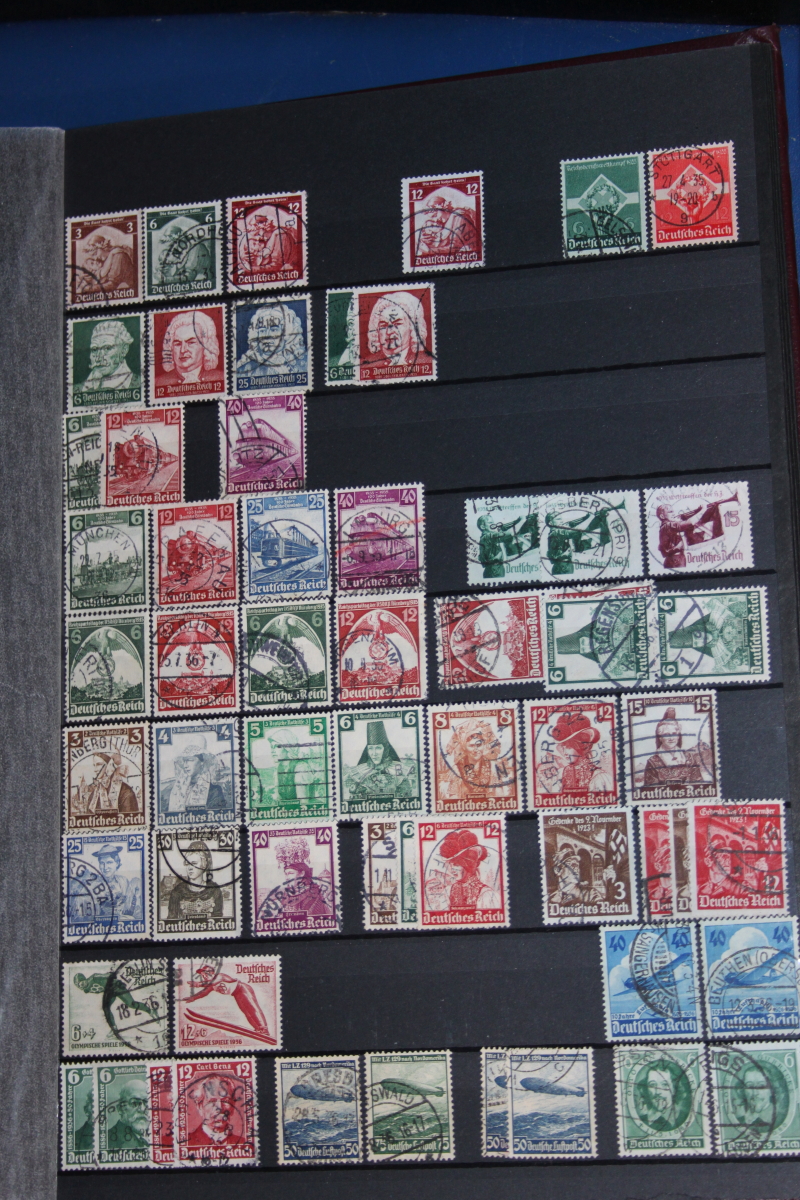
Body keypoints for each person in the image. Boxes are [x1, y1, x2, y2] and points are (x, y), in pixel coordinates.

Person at [186, 963, 271, 1038]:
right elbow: (203, 993)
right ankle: (258, 1029)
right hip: (236, 994)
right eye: (202, 975)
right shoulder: (210, 985)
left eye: (205, 974)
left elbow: (212, 983)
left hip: (243, 989)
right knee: (246, 1012)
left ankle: (264, 1029)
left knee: (252, 1008)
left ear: (211, 972)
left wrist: (198, 984)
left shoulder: (219, 976)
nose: (204, 976)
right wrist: (192, 998)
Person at [643, 707, 712, 789]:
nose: (671, 738)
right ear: (660, 738)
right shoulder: (652, 763)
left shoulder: (690, 758)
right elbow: (650, 791)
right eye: (666, 734)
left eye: (674, 733)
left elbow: (699, 786)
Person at [236, 303, 307, 383]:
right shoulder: (244, 371)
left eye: (274, 330)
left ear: (287, 333)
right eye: (262, 331)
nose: (266, 336)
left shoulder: (304, 364)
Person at [550, 710, 612, 796]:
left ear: (579, 747)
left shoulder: (599, 776)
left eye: (568, 747)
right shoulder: (560, 775)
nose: (564, 753)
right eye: (563, 747)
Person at [348, 720, 413, 803]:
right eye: (370, 748)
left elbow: (406, 797)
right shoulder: (360, 772)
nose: (374, 753)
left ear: (385, 750)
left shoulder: (398, 769)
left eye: (378, 748)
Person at [366, 291, 433, 369]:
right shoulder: (366, 365)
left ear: (412, 327)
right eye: (383, 325)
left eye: (397, 324)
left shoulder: (427, 362)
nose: (389, 332)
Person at [158, 310, 223, 389]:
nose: (183, 350)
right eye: (178, 344)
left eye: (191, 342)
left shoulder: (221, 378)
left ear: (205, 346)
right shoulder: (158, 383)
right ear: (171, 348)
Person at [163, 737, 229, 816]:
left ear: (202, 762)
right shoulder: (175, 790)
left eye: (190, 760)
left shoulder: (214, 791)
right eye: (184, 761)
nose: (185, 765)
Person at [270, 837, 332, 917]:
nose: (287, 877)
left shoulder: (313, 893)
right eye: (286, 874)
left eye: (291, 873)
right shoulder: (287, 894)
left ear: (302, 873)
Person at [75, 320, 140, 396]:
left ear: (124, 350)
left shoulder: (140, 385)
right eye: (94, 349)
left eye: (107, 348)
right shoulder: (76, 390)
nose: (99, 358)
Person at [166, 840, 223, 920]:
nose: (190, 868)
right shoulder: (177, 892)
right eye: (187, 863)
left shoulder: (214, 890)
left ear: (204, 864)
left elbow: (218, 920)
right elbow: (171, 921)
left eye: (194, 863)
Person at [414, 190, 478, 260]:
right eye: (432, 218)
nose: (435, 220)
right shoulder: (446, 222)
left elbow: (455, 247)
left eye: (435, 215)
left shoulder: (458, 218)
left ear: (442, 208)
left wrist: (429, 251)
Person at [237, 205, 299, 276]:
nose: (258, 238)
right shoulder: (264, 238)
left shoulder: (280, 236)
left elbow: (276, 266)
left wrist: (251, 269)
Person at [437, 828, 491, 910]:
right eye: (450, 864)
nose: (452, 869)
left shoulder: (485, 894)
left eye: (456, 864)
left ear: (468, 865)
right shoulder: (448, 891)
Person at [73, 969, 156, 1019]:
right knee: (106, 1008)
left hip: (117, 987)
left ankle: (150, 1011)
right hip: (110, 992)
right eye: (79, 986)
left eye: (82, 983)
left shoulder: (94, 977)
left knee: (131, 1004)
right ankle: (114, 1028)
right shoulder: (86, 989)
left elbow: (109, 975)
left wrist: (113, 979)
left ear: (84, 979)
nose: (82, 986)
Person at [187, 1075, 242, 1147]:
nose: (219, 1107)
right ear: (200, 1106)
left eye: (225, 1101)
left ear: (233, 1105)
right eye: (212, 1101)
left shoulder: (243, 1143)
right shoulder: (188, 1142)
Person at [91, 843, 142, 921]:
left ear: (117, 863)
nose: (105, 867)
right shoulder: (93, 884)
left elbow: (129, 908)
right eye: (102, 863)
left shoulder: (123, 881)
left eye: (109, 862)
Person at [77, 230, 136, 296]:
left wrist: (91, 289)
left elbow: (112, 285)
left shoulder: (118, 256)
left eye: (95, 254)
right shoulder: (103, 261)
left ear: (102, 247)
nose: (95, 258)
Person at [86, 751, 139, 816]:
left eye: (99, 764)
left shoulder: (126, 792)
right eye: (94, 765)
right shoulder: (93, 795)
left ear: (110, 765)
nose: (95, 769)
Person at [636, 1063, 685, 1132]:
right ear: (646, 1090)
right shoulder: (641, 1120)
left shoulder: (683, 1118)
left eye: (664, 1084)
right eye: (652, 1085)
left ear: (674, 1089)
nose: (658, 1091)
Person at [106, 1078, 150, 1149]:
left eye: (147, 1103)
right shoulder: (109, 1141)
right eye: (134, 1103)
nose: (142, 1109)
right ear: (120, 1109)